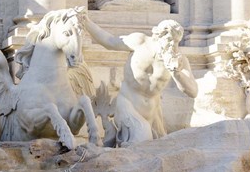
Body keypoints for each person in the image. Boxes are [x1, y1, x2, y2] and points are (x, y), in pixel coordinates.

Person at [83, 12, 198, 146]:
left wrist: (176, 73)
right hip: (128, 104)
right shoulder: (140, 42)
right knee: (142, 139)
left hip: (154, 113)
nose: (172, 47)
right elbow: (109, 41)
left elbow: (193, 91)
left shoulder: (178, 59)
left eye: (175, 43)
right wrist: (86, 22)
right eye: (168, 42)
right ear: (157, 36)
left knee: (156, 150)